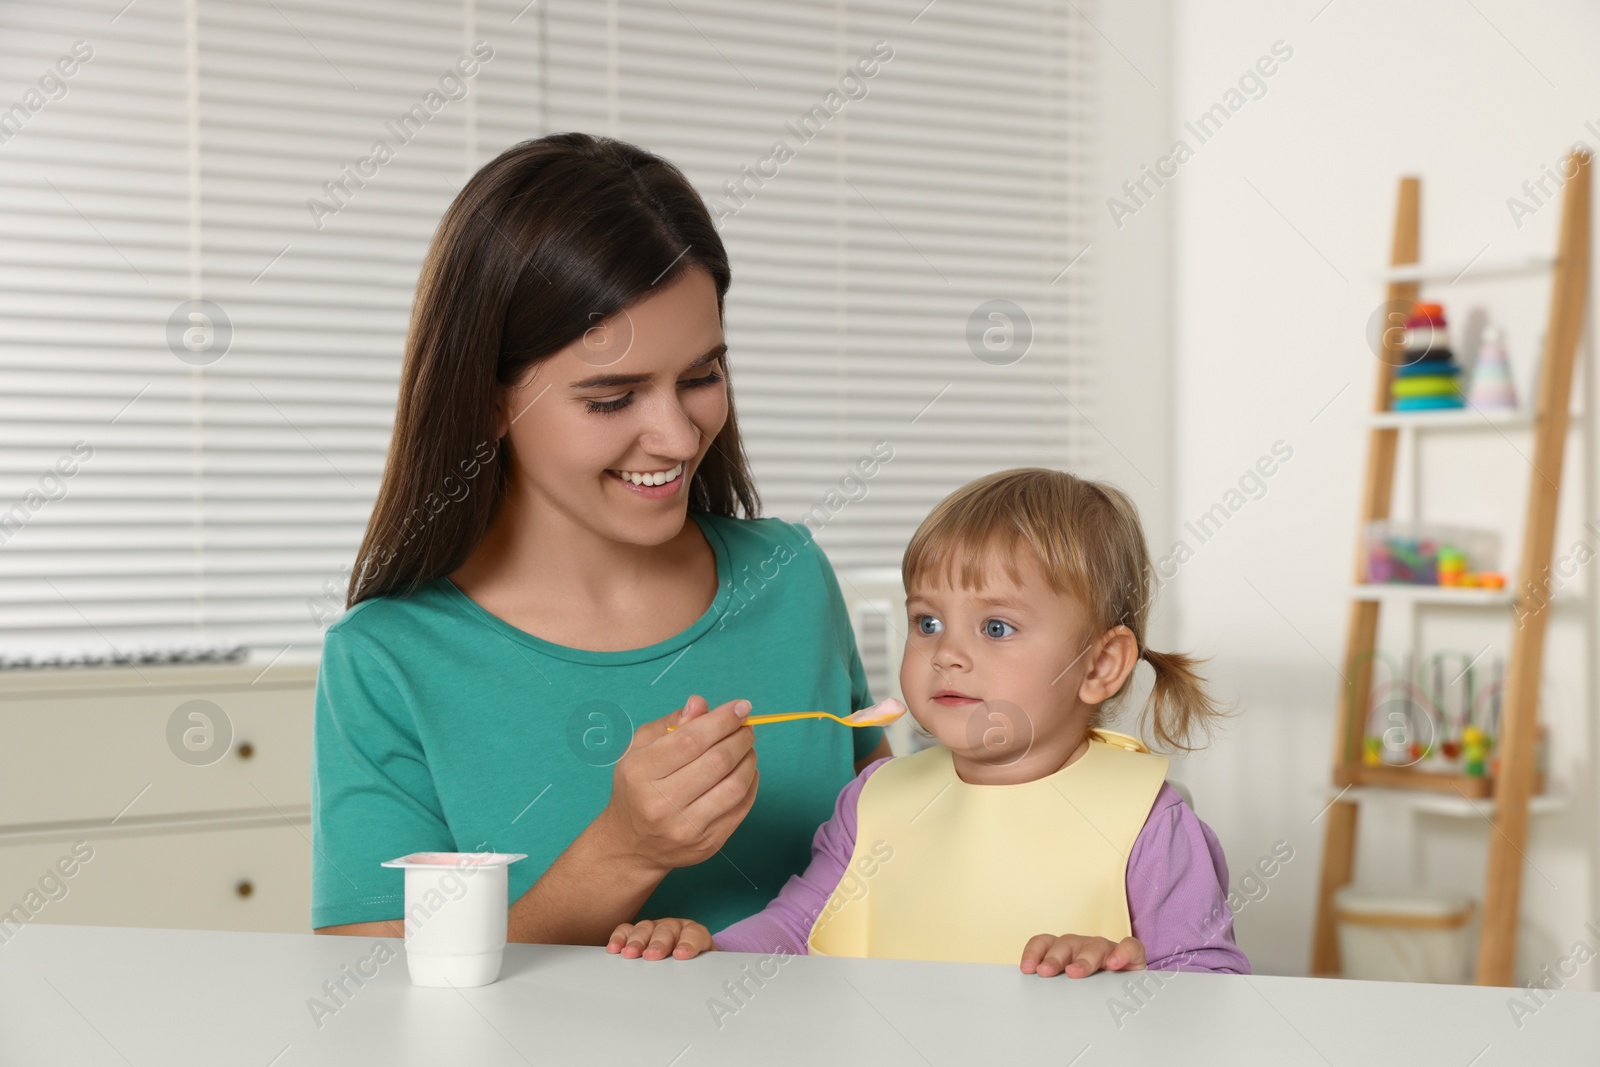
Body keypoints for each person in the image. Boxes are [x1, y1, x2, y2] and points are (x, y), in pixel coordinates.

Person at [311, 133, 890, 944]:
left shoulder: (790, 576)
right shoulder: (388, 662)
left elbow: (900, 850)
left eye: (701, 376)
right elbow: (374, 992)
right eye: (613, 398)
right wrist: (622, 853)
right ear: (487, 400)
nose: (681, 438)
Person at [606, 468, 1249, 976]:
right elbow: (797, 929)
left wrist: (1120, 971)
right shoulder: (873, 800)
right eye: (928, 622)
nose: (948, 653)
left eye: (997, 627)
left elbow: (1209, 987)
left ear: (1102, 665)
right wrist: (704, 951)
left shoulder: (1150, 824)